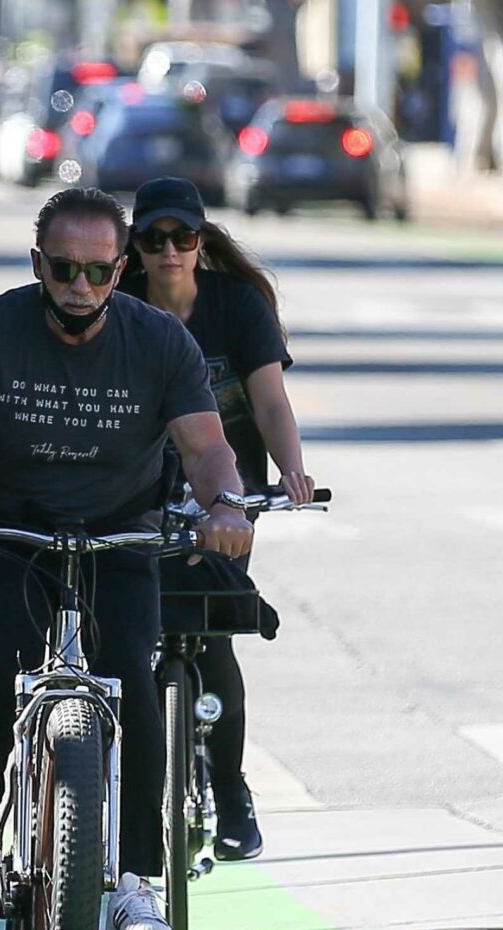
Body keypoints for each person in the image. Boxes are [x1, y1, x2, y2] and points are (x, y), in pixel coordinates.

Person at [0, 187, 253, 930]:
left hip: (120, 536)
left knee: (132, 680)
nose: (79, 288)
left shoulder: (159, 342)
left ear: (121, 271)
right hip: (8, 533)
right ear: (37, 264)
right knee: (3, 666)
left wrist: (226, 505)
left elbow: (207, 444)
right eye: (62, 269)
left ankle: (136, 883)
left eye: (96, 271)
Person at [119, 177, 315, 861]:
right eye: (154, 239)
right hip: (137, 485)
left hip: (226, 487)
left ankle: (231, 791)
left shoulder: (237, 306)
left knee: (212, 632)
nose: (169, 250)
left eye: (183, 237)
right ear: (134, 248)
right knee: (130, 632)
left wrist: (291, 470)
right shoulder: (119, 306)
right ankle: (124, 802)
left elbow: (269, 404)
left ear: (202, 241)